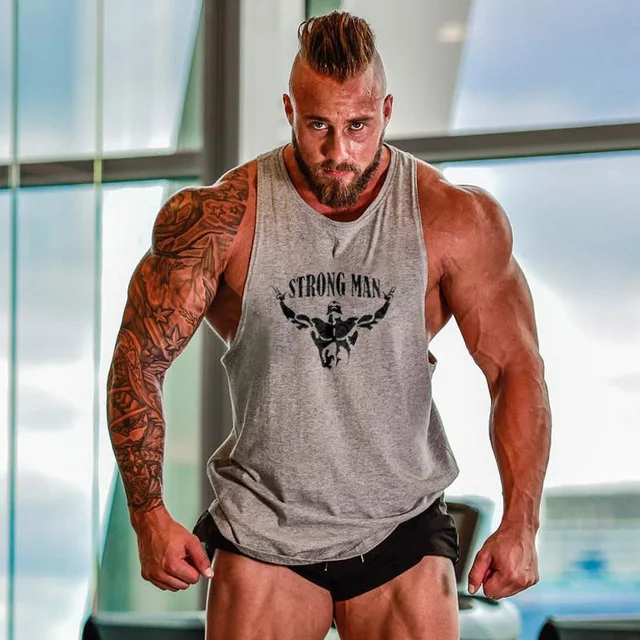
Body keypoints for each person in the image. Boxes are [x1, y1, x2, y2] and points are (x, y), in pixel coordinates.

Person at [106, 11, 551, 640]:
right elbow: (137, 361)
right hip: (264, 526)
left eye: (358, 126)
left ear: (386, 112)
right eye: (318, 125)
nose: (339, 151)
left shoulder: (453, 219)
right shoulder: (220, 220)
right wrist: (148, 513)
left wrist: (522, 522)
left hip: (401, 528)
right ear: (289, 109)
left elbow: (515, 368)